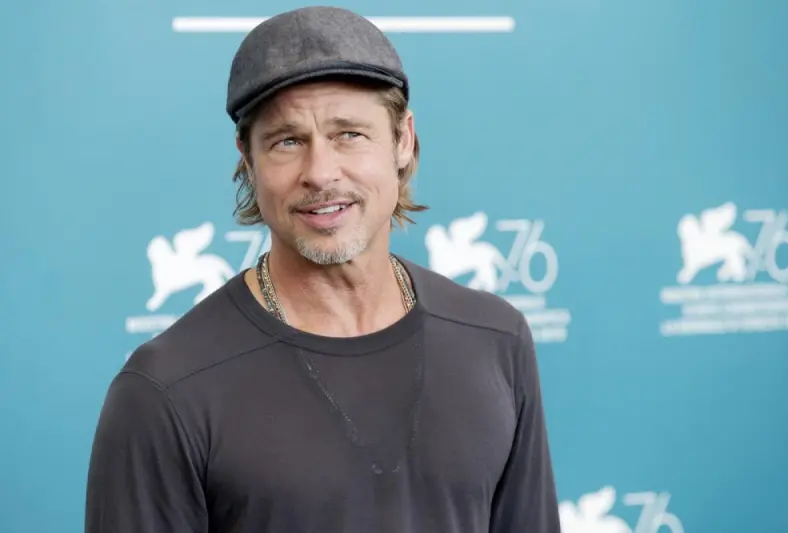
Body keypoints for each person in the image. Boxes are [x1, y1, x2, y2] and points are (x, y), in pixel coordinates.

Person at [84, 6, 561, 533]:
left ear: (403, 140)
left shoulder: (495, 338)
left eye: (348, 134)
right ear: (248, 159)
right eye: (287, 141)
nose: (320, 172)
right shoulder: (165, 389)